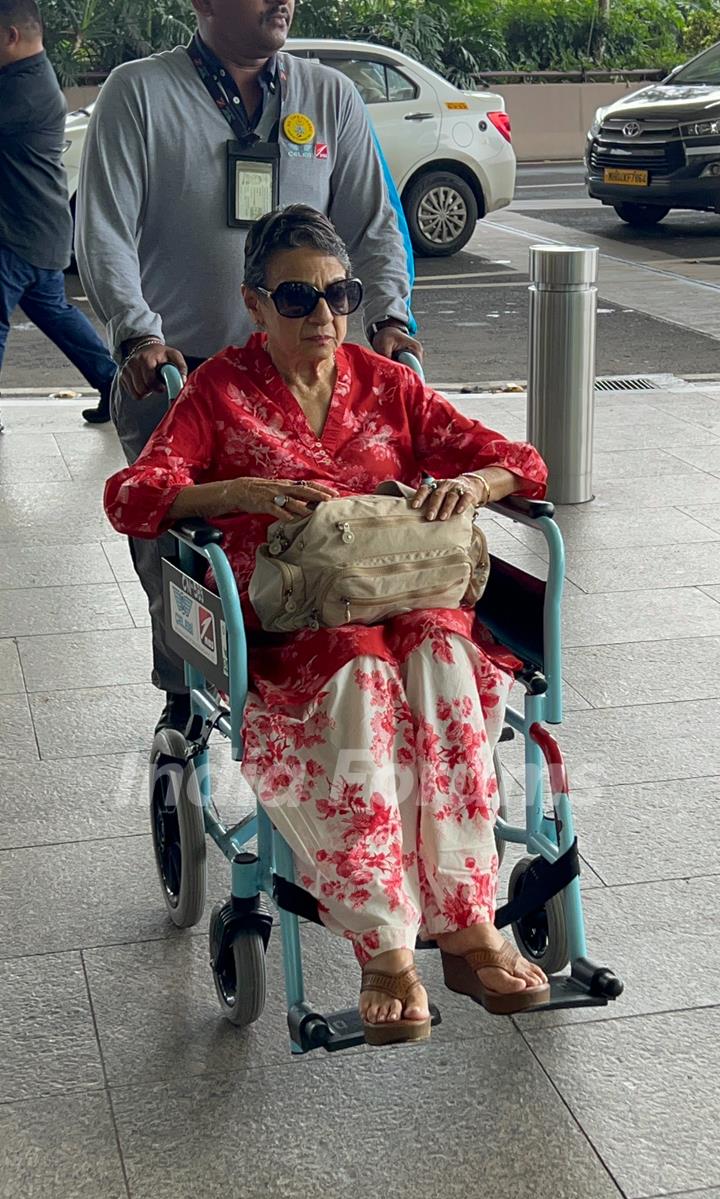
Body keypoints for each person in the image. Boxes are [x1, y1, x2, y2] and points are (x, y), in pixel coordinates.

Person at [104, 206, 550, 1045]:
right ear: (255, 304)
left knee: (445, 658)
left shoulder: (387, 384)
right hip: (293, 626)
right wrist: (235, 493)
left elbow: (523, 462)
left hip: (406, 601)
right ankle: (386, 946)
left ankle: (466, 922)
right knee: (363, 680)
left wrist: (475, 487)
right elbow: (132, 497)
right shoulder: (219, 392)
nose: (325, 316)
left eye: (339, 295)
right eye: (298, 298)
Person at [76, 0, 421, 733]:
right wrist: (137, 336)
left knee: (318, 528)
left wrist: (391, 317)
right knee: (180, 550)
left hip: (306, 379)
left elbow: (374, 221)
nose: (281, 1)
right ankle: (185, 693)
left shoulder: (329, 96)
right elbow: (102, 228)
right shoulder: (139, 93)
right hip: (180, 377)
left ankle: (317, 680)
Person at [0, 0, 116, 428]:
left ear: (11, 36)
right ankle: (113, 384)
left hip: (19, 232)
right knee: (54, 311)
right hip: (38, 226)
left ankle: (114, 384)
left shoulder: (23, 89)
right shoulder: (22, 76)